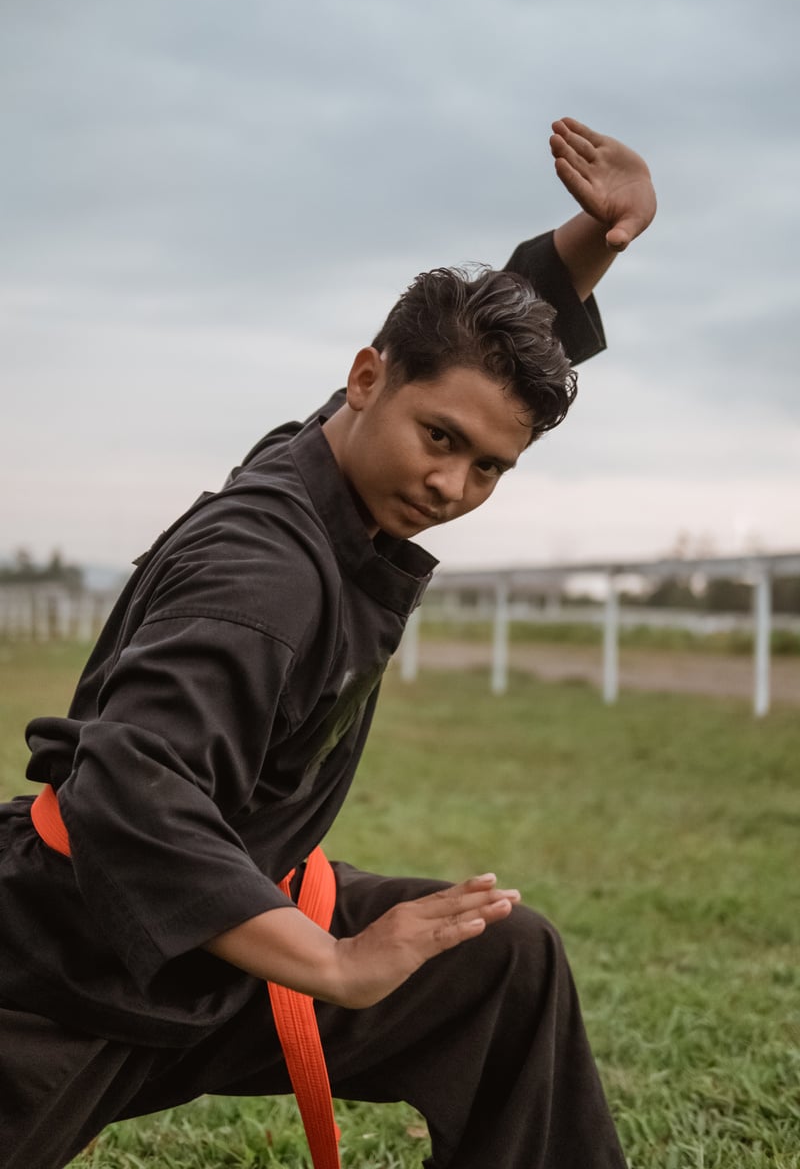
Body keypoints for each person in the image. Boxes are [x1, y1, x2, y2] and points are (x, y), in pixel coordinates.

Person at [0, 118, 656, 1169]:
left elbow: (471, 353)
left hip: (217, 953)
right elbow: (123, 793)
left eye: (488, 468)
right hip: (65, 973)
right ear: (363, 380)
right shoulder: (261, 572)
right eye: (439, 441)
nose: (450, 486)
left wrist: (598, 240)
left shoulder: (345, 453)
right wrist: (332, 962)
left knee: (501, 966)